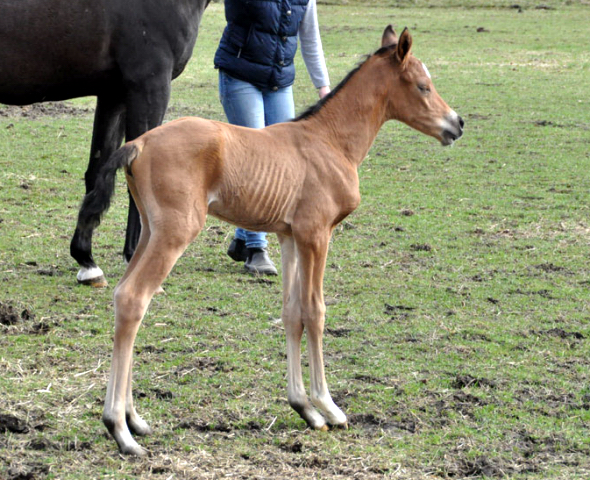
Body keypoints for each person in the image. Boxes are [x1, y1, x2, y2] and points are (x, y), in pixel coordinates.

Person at [214, 0, 330, 275]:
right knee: (254, 159)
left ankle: (244, 237)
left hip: (279, 82)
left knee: (281, 160)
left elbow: (310, 41)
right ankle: (256, 248)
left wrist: (323, 88)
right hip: (240, 76)